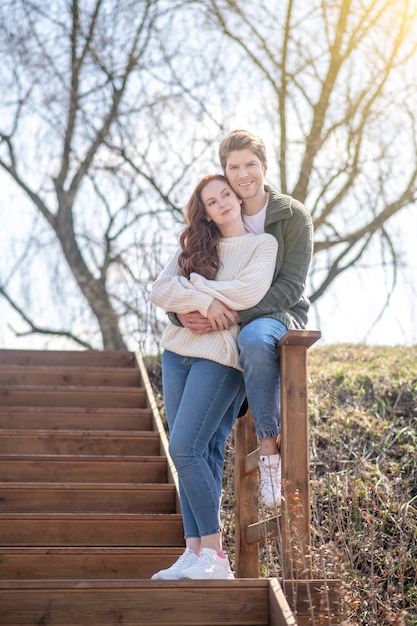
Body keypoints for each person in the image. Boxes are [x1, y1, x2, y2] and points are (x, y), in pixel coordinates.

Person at [169, 130, 314, 508]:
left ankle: (268, 448)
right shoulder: (220, 214)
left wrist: (230, 315)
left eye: (251, 164)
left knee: (252, 338)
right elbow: (188, 274)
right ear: (225, 173)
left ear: (264, 167)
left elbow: (291, 287)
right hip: (217, 324)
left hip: (276, 313)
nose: (243, 173)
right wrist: (182, 313)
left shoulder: (292, 216)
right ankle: (203, 544)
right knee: (204, 441)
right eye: (234, 167)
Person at [150, 174, 278, 580]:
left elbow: (249, 293)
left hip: (220, 357)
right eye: (211, 200)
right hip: (176, 353)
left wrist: (192, 289)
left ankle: (216, 555)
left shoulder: (263, 244)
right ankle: (194, 552)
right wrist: (205, 297)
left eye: (226, 194)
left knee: (184, 448)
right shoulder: (194, 245)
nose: (222, 202)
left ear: (237, 199)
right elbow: (159, 290)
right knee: (201, 452)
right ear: (203, 211)